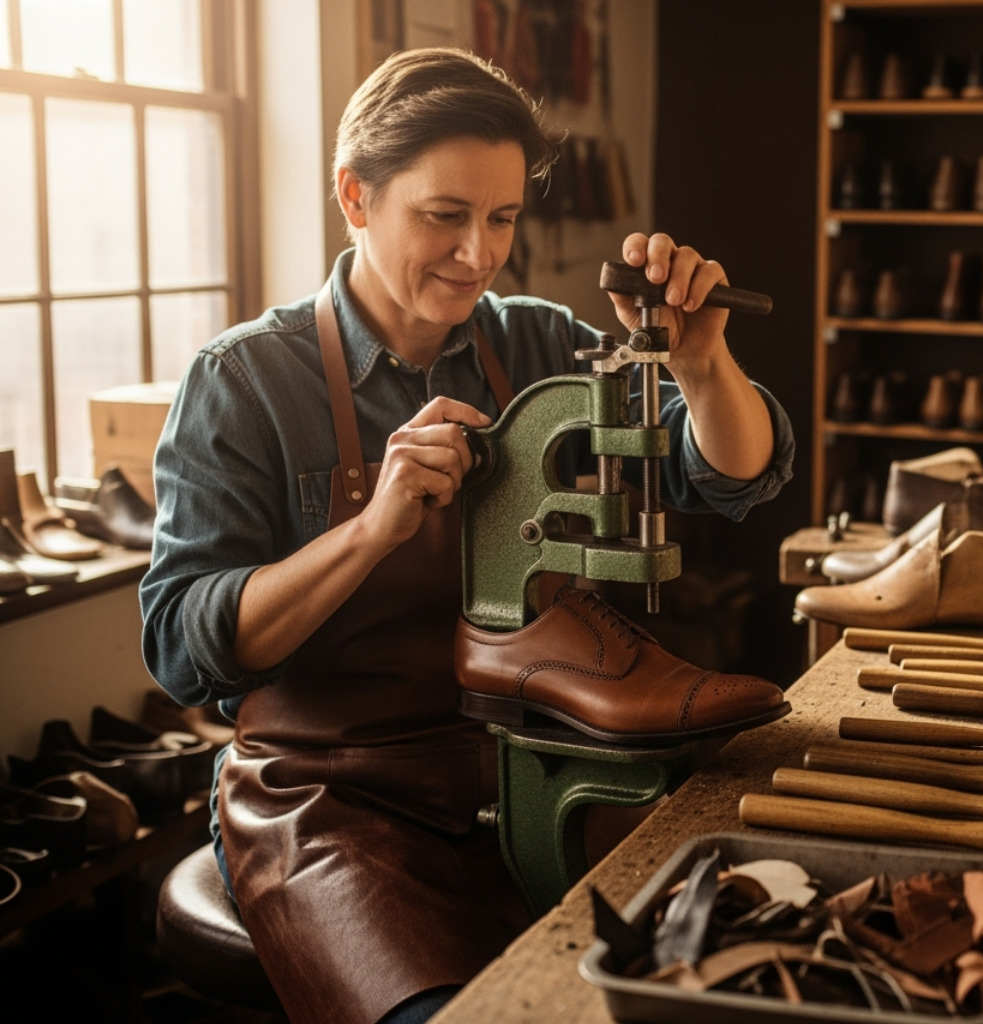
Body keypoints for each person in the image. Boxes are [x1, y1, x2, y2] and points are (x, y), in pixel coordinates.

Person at [140, 48, 794, 1024]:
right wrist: (372, 530)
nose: (478, 254)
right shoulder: (243, 383)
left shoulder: (535, 342)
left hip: (539, 768)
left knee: (706, 975)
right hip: (332, 806)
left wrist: (701, 365)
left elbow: (732, 473)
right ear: (355, 197)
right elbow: (183, 646)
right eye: (445, 215)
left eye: (502, 218)